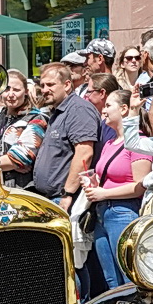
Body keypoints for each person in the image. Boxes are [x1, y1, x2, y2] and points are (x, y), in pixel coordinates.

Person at [81, 90, 152, 292]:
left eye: (108, 105)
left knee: (128, 278)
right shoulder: (110, 143)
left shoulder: (138, 142)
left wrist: (104, 193)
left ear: (124, 109)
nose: (103, 110)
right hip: (102, 213)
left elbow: (140, 185)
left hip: (122, 213)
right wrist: (94, 183)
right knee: (110, 280)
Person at [27, 62, 101, 213]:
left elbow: (84, 154)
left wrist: (67, 194)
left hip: (65, 200)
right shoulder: (58, 111)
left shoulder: (78, 110)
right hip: (50, 198)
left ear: (67, 85)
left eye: (50, 85)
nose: (45, 90)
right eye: (42, 85)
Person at [0, 69, 47, 186]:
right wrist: (8, 164)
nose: (11, 94)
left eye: (17, 90)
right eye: (7, 89)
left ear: (26, 92)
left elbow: (21, 157)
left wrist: (11, 162)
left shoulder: (36, 119)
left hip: (23, 190)